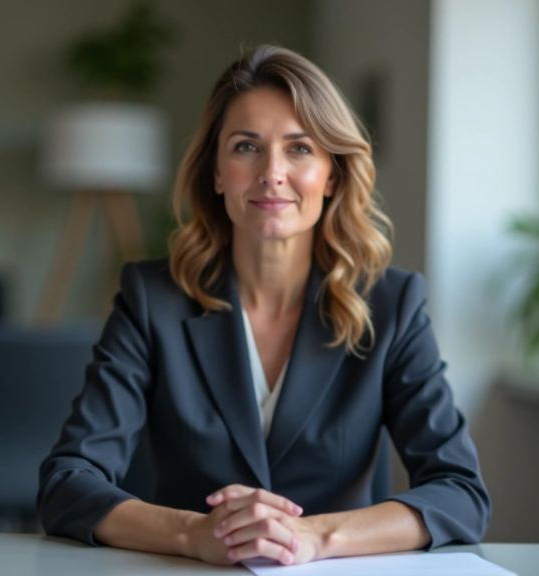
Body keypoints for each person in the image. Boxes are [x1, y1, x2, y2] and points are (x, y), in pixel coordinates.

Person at [37, 44, 490, 566]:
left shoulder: (391, 305)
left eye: (299, 149)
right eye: (246, 147)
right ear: (215, 172)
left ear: (333, 175)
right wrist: (194, 533)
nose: (272, 172)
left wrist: (313, 537)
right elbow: (68, 482)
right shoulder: (151, 299)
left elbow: (459, 493)